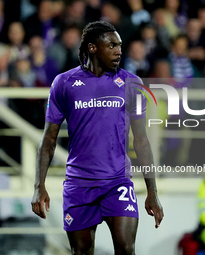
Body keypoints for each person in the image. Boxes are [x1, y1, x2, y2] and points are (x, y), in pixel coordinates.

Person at [31, 21, 164, 254]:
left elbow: (141, 140)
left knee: (126, 248)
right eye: (111, 45)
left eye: (120, 46)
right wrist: (38, 185)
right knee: (81, 252)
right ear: (92, 48)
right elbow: (49, 139)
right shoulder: (64, 83)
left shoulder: (132, 83)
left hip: (117, 181)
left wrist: (152, 191)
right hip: (79, 185)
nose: (118, 51)